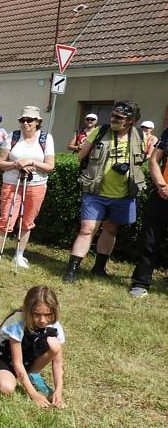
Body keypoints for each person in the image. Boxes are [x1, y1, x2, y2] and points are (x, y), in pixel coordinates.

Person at [64, 101, 147, 282]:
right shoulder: (100, 131)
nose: (113, 119)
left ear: (131, 121)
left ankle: (99, 268)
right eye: (112, 115)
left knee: (110, 229)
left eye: (119, 117)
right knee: (87, 230)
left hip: (123, 194)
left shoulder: (140, 135)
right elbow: (81, 156)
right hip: (95, 191)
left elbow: (142, 160)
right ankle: (72, 270)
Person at [0, 106, 55, 269]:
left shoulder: (46, 138)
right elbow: (0, 163)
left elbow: (50, 166)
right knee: (5, 219)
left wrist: (31, 162)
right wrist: (17, 164)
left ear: (38, 122)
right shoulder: (12, 136)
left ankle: (19, 255)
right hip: (11, 183)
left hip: (36, 185)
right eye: (22, 120)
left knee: (27, 220)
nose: (25, 123)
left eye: (29, 120)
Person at [0, 286, 66, 409]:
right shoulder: (18, 322)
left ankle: (31, 374)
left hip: (26, 358)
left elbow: (58, 363)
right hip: (4, 358)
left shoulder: (54, 325)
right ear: (28, 310)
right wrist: (34, 394)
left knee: (55, 345)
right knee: (6, 388)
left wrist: (58, 391)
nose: (42, 320)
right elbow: (17, 363)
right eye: (37, 314)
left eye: (47, 314)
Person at [129, 124, 168, 297]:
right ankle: (141, 282)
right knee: (149, 239)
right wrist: (162, 186)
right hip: (162, 194)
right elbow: (153, 160)